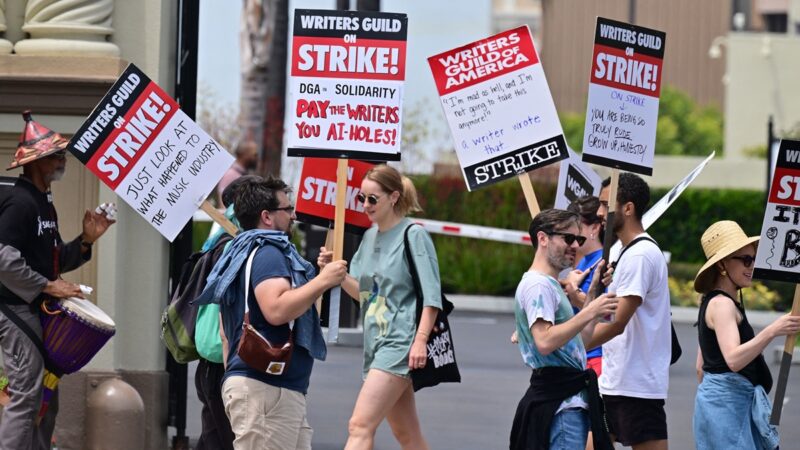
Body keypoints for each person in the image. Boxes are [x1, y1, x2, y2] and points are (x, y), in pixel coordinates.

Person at [195, 176, 347, 450]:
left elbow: (225, 332)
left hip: (265, 390)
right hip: (266, 391)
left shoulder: (239, 252)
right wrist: (323, 281)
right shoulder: (269, 253)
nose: (294, 215)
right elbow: (276, 309)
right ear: (266, 216)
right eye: (287, 209)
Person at [0, 111, 115, 450]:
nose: (64, 159)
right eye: (57, 154)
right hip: (12, 308)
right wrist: (48, 287)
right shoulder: (21, 202)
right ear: (36, 162)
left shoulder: (43, 201)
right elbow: (4, 259)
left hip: (31, 306)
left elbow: (51, 261)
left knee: (44, 394)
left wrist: (86, 240)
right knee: (26, 392)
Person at [318, 164, 442, 450]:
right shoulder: (369, 237)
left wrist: (420, 341)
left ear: (394, 196)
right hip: (376, 342)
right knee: (407, 435)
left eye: (373, 198)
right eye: (361, 198)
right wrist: (333, 273)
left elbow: (431, 296)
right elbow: (363, 294)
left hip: (400, 342)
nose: (365, 205)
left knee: (360, 425)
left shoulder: (414, 235)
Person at [509, 208, 617, 450]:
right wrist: (590, 311)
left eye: (578, 240)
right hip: (560, 406)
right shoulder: (539, 285)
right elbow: (545, 342)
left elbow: (580, 343)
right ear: (543, 238)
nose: (575, 246)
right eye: (567, 238)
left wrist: (591, 297)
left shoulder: (548, 284)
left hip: (565, 401)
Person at [693, 221, 800, 450]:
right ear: (722, 265)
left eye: (754, 259)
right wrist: (773, 330)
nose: (752, 266)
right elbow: (733, 360)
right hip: (728, 407)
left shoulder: (713, 301)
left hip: (720, 406)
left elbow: (701, 367)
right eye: (746, 260)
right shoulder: (722, 305)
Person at [588, 173, 671, 450]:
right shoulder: (620, 251)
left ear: (628, 208)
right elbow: (608, 312)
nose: (599, 212)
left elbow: (617, 322)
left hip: (637, 386)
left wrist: (573, 342)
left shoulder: (640, 255)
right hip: (614, 381)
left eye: (604, 204)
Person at [565, 196, 605, 376]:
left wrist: (575, 292)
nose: (572, 232)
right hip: (579, 353)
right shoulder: (583, 261)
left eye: (577, 226)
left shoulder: (605, 261)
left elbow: (608, 312)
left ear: (595, 228)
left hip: (596, 356)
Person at [216, 140, 257, 206]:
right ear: (245, 154)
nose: (256, 158)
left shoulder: (243, 174)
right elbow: (223, 204)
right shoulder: (230, 175)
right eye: (254, 155)